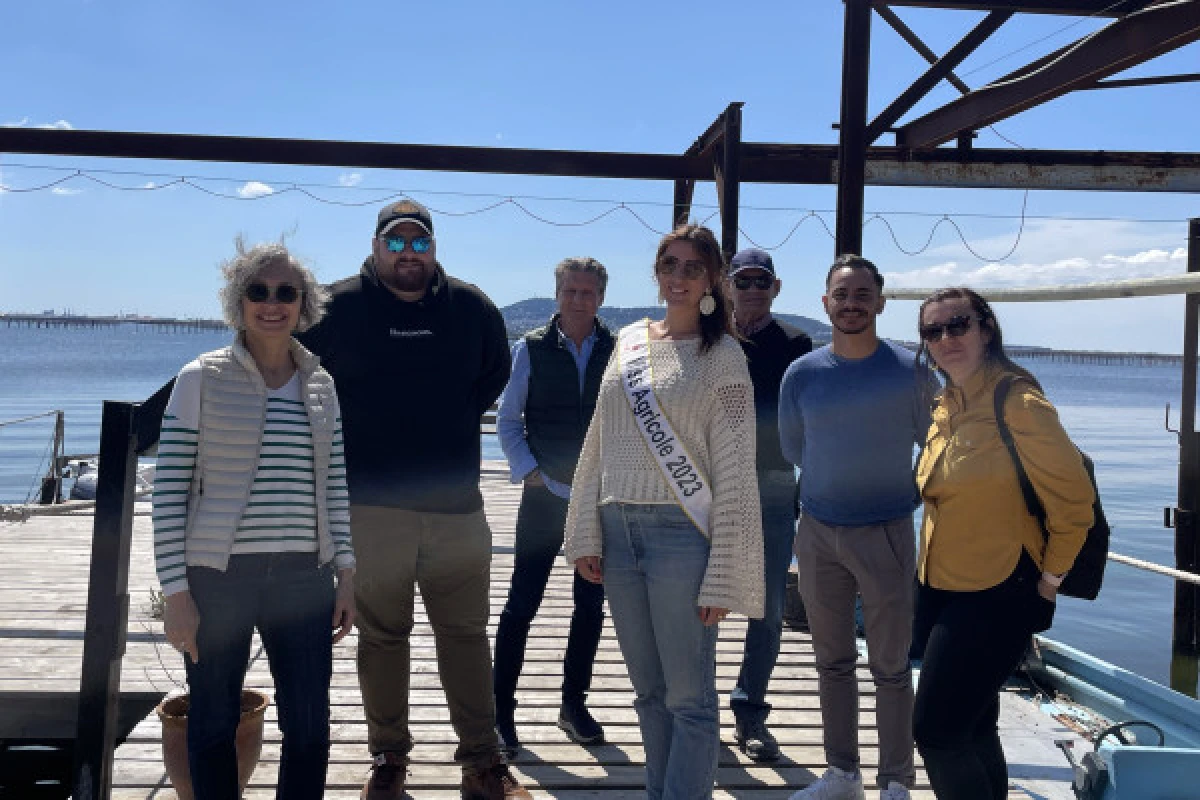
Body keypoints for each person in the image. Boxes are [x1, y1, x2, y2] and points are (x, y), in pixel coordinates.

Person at [297, 200, 529, 800]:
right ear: (376, 247)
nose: (407, 255)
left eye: (418, 244)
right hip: (371, 510)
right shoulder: (336, 307)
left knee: (465, 636)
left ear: (433, 248)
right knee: (381, 638)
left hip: (457, 509)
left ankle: (482, 763)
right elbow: (293, 373)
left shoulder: (472, 307)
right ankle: (389, 760)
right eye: (395, 243)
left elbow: (491, 377)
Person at [565, 224, 765, 799]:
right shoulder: (629, 343)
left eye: (692, 267)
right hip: (618, 532)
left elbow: (734, 468)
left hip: (684, 537)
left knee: (690, 700)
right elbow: (599, 440)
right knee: (648, 694)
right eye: (669, 265)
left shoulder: (723, 357)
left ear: (712, 280)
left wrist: (724, 570)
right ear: (657, 273)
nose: (678, 277)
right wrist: (583, 530)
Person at [154, 239, 356, 800]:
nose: (273, 303)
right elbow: (168, 491)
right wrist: (176, 593)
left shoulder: (320, 385)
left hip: (303, 578)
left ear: (303, 303)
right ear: (238, 301)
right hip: (218, 579)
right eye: (258, 291)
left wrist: (347, 571)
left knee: (311, 726)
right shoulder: (200, 378)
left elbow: (334, 484)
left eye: (286, 292)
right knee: (214, 719)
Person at [911, 288, 1093, 800]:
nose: (946, 338)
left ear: (985, 328)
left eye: (958, 324)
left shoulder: (1017, 402)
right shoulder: (946, 405)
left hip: (1000, 589)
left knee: (937, 732)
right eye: (933, 331)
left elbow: (1074, 503)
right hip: (942, 588)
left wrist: (1050, 580)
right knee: (973, 726)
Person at [780, 255, 932, 800]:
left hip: (887, 533)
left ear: (880, 303)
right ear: (826, 302)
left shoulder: (911, 370)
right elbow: (794, 447)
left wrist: (901, 494)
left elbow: (934, 446)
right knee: (832, 661)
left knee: (891, 666)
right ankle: (842, 774)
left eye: (863, 293)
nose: (851, 303)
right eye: (841, 294)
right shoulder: (802, 374)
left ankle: (895, 781)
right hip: (818, 532)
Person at [493, 257, 614, 754]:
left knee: (589, 607)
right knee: (522, 603)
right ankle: (500, 714)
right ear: (557, 293)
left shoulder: (619, 350)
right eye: (571, 290)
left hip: (598, 499)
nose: (579, 299)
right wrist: (532, 475)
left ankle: (573, 705)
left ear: (601, 297)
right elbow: (507, 420)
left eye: (589, 292)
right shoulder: (531, 349)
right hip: (545, 497)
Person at [725, 247, 812, 762]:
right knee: (698, 598)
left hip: (776, 481)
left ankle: (750, 710)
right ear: (728, 286)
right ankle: (696, 710)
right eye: (743, 281)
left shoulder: (797, 343)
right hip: (710, 481)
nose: (752, 289)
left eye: (762, 282)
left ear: (775, 288)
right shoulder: (711, 338)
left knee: (770, 607)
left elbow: (811, 416)